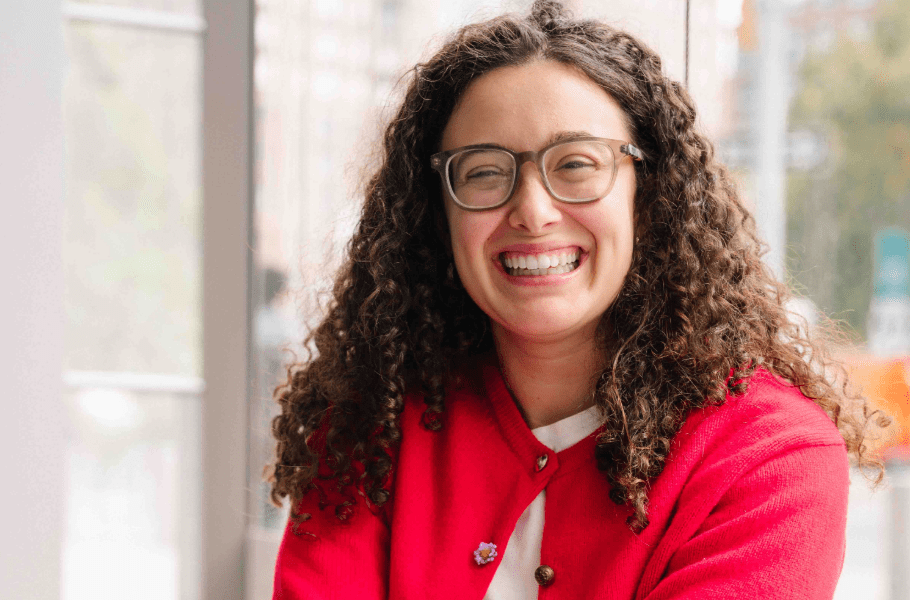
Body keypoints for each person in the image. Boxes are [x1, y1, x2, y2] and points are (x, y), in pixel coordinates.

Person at [269, 2, 886, 599]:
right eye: (483, 171)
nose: (533, 212)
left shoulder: (768, 457)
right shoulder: (370, 421)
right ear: (438, 212)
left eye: (577, 165)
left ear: (649, 197)